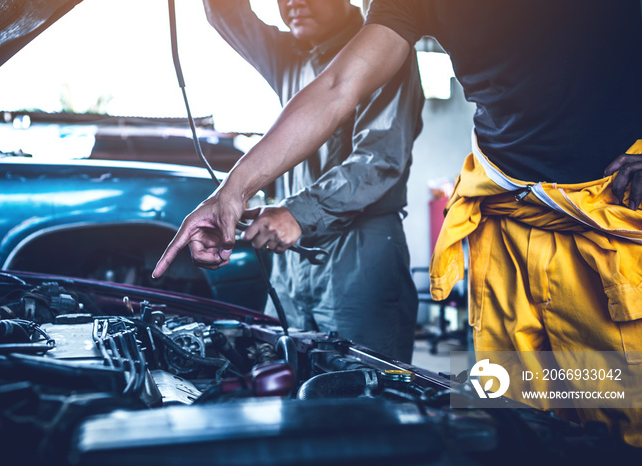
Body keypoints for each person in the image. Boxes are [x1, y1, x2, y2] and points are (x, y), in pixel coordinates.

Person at [154, 0, 642, 445]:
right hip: (507, 218)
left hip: (607, 215)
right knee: (514, 412)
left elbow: (378, 159)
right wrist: (230, 192)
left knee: (623, 412)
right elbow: (338, 86)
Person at [196, 0, 424, 362]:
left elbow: (380, 159)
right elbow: (225, 12)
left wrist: (299, 213)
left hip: (360, 260)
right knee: (287, 381)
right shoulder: (288, 55)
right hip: (290, 263)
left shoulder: (386, 45)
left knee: (364, 396)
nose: (294, 3)